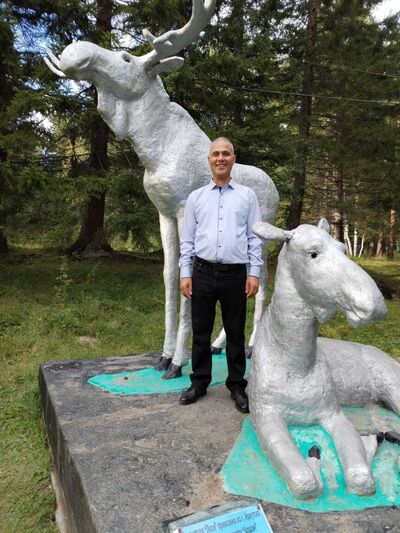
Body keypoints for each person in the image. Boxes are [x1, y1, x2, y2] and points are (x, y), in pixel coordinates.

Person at [178, 137, 262, 413]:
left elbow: (254, 237)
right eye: (216, 154)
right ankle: (199, 382)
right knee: (201, 331)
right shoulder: (196, 198)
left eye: (226, 154)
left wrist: (254, 273)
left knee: (235, 333)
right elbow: (187, 240)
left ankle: (237, 385)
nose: (221, 158)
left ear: (233, 160)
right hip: (202, 272)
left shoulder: (247, 196)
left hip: (234, 275)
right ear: (209, 160)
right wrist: (185, 273)